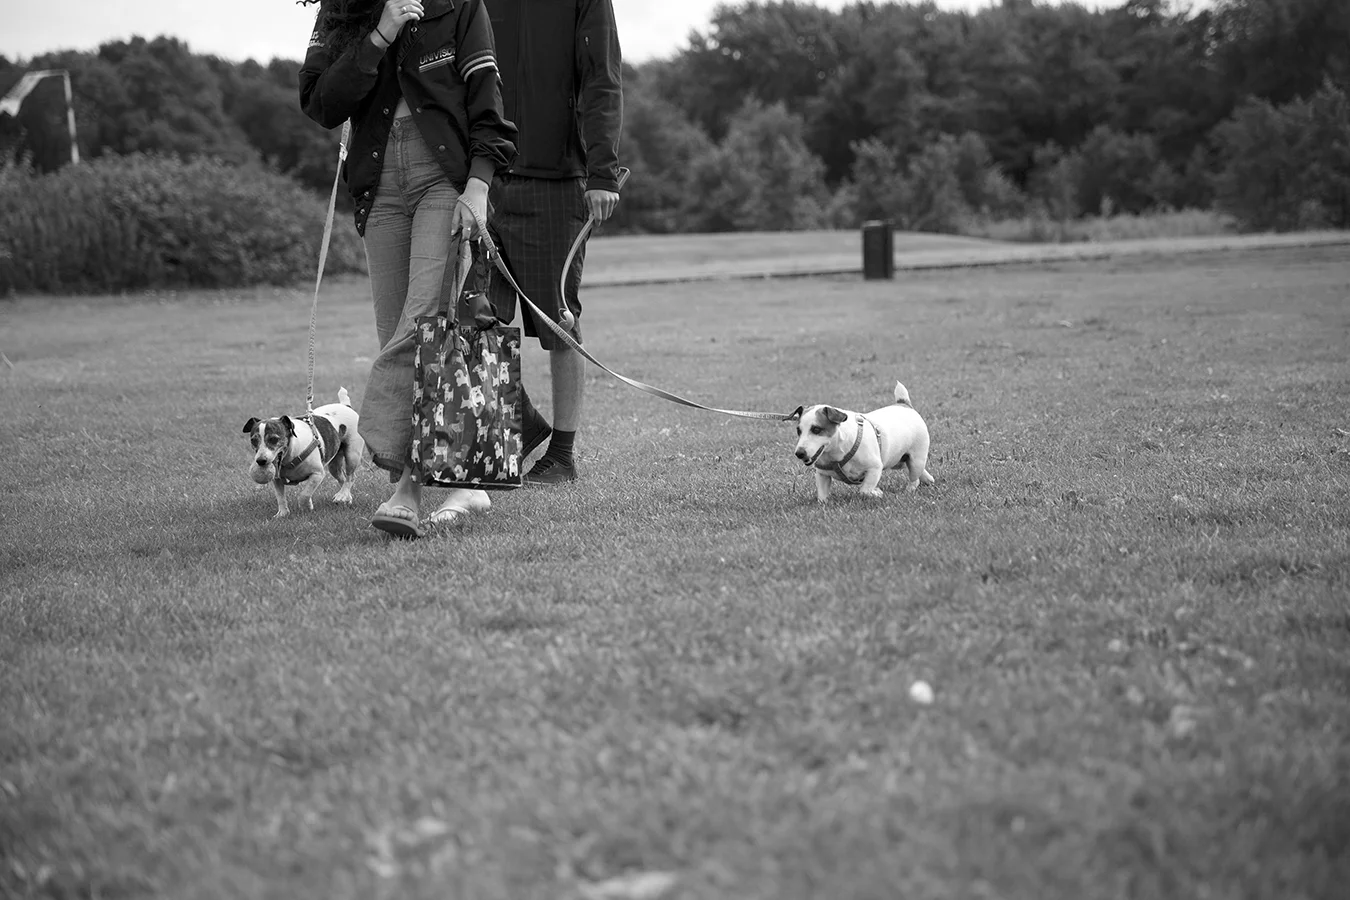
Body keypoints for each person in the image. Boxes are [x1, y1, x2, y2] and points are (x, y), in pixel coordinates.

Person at [299, 0, 517, 538]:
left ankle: (406, 488)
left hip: (443, 177)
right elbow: (321, 103)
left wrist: (479, 183)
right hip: (378, 187)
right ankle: (464, 481)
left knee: (421, 330)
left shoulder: (460, 6)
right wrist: (379, 34)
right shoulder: (341, 9)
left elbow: (487, 98)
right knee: (395, 333)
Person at [482, 0, 624, 484]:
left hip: (557, 181)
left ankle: (562, 456)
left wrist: (603, 172)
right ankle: (521, 427)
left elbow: (602, 79)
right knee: (470, 316)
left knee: (558, 322)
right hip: (482, 176)